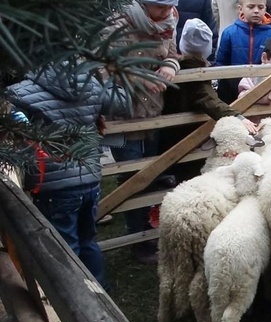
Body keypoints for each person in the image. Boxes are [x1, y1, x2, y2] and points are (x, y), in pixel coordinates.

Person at [4, 65, 129, 289]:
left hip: (55, 185)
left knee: (65, 248)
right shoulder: (90, 84)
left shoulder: (23, 91)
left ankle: (78, 305)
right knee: (88, 240)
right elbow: (120, 102)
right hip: (90, 179)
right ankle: (101, 293)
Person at [103, 0, 181, 265]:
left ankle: (147, 233)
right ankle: (136, 238)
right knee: (132, 177)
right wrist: (138, 78)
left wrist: (170, 65)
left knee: (151, 173)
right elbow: (106, 64)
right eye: (160, 7)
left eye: (169, 7)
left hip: (153, 113)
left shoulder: (168, 23)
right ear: (145, 5)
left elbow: (172, 52)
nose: (167, 12)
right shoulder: (119, 25)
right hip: (126, 115)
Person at [162, 18, 258, 182]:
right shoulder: (193, 71)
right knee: (189, 176)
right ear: (207, 47)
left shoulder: (176, 66)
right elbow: (208, 98)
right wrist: (237, 117)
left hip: (174, 136)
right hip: (186, 139)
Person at [215, 0, 271, 104]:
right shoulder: (229, 33)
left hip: (262, 89)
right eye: (251, 7)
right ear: (241, 9)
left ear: (265, 9)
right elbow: (221, 63)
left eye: (260, 7)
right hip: (231, 89)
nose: (256, 11)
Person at [238, 36, 271, 123]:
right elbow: (243, 97)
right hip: (252, 125)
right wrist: (265, 97)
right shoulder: (251, 79)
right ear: (264, 58)